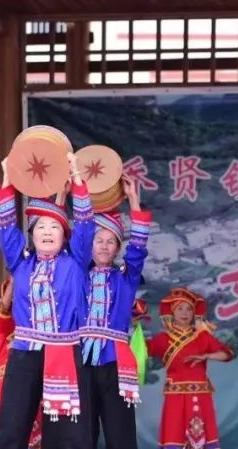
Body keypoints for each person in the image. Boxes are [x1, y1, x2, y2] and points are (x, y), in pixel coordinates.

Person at [0, 146, 95, 449]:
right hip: (25, 351)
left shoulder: (75, 262)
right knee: (12, 424)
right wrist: (7, 180)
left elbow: (87, 224)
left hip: (65, 352)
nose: (47, 232)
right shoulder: (20, 263)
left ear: (65, 237)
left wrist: (76, 176)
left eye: (55, 227)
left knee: (66, 436)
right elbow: (6, 228)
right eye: (41, 227)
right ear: (32, 235)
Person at [80, 176, 150, 449]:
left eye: (112, 242)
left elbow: (139, 249)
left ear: (118, 248)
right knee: (81, 435)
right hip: (82, 362)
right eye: (99, 240)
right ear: (90, 244)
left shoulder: (126, 278)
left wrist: (133, 200)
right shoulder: (77, 275)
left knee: (120, 435)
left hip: (115, 363)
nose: (105, 246)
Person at [147, 288, 234, 449]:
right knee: (174, 436)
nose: (185, 313)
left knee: (203, 436)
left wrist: (207, 356)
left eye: (189, 309)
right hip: (175, 396)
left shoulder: (203, 336)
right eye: (180, 308)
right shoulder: (163, 339)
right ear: (172, 312)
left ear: (194, 313)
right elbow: (141, 351)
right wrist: (136, 328)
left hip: (201, 395)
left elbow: (227, 354)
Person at [0, 276, 41, 449]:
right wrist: (17, 276)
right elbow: (2, 308)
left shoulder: (40, 325)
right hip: (6, 390)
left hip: (33, 389)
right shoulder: (5, 325)